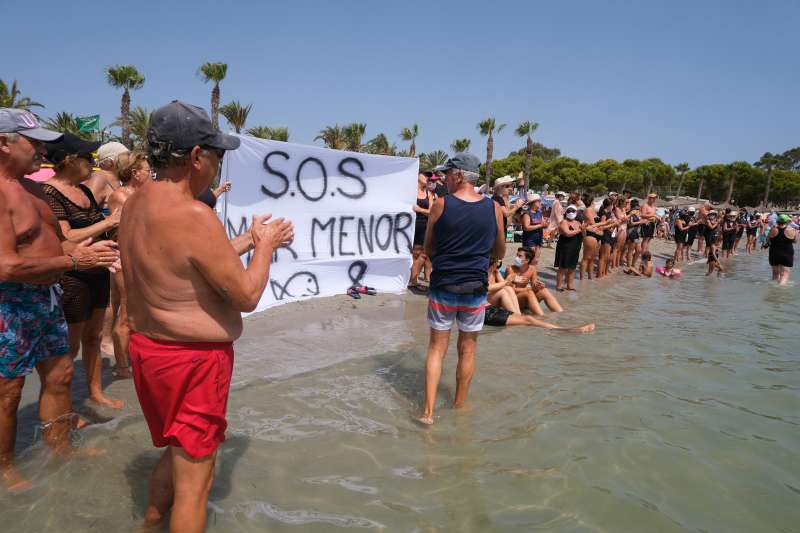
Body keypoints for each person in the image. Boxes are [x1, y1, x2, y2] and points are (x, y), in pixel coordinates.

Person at [119, 101, 294, 532]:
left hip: (149, 352)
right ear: (196, 156)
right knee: (198, 484)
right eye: (217, 154)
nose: (218, 164)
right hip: (192, 363)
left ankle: (150, 523)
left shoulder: (135, 204)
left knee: (177, 451)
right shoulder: (195, 213)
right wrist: (267, 244)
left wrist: (248, 241)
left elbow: (186, 264)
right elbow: (248, 295)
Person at [0, 108, 119, 490]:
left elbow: (57, 243)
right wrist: (72, 259)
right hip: (9, 304)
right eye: (32, 142)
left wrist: (94, 250)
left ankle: (59, 447)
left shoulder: (33, 189)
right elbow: (5, 266)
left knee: (61, 375)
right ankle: (5, 466)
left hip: (47, 297)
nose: (41, 150)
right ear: (4, 143)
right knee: (9, 391)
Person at [419, 152, 504, 427]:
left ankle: (428, 413)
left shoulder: (441, 205)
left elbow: (428, 247)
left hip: (444, 285)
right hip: (476, 288)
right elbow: (500, 249)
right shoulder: (494, 209)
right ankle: (459, 406)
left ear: (458, 175)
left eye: (446, 174)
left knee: (436, 349)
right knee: (468, 349)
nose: (443, 179)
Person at [41, 134, 124, 409]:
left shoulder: (86, 190)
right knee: (70, 347)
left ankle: (95, 392)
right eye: (87, 157)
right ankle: (67, 406)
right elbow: (67, 236)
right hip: (72, 276)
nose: (93, 162)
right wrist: (109, 222)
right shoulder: (49, 192)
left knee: (94, 337)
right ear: (68, 160)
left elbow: (100, 225)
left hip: (98, 272)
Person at [105, 151, 151, 378]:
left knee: (135, 308)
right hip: (124, 258)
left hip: (138, 257)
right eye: (147, 170)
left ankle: (130, 357)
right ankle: (122, 365)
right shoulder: (121, 196)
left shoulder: (140, 194)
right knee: (126, 309)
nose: (150, 173)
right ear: (134, 173)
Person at [507, 246, 563, 314]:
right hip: (514, 300)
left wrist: (539, 285)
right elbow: (511, 290)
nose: (516, 258)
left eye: (519, 256)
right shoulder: (511, 269)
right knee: (528, 292)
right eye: (517, 255)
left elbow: (534, 284)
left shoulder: (532, 269)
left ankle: (560, 314)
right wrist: (529, 289)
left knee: (544, 290)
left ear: (527, 260)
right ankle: (542, 319)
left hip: (527, 298)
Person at [84, 141, 129, 209]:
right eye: (126, 156)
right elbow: (84, 211)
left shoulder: (119, 180)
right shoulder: (99, 178)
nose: (129, 160)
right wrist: (107, 219)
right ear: (111, 161)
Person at [410, 172, 434, 288]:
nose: (427, 178)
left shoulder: (428, 193)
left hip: (423, 225)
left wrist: (419, 209)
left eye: (428, 176)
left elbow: (431, 211)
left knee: (419, 253)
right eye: (424, 175)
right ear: (418, 176)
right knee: (411, 253)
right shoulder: (410, 191)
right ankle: (411, 279)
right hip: (409, 225)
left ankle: (413, 280)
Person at [554, 205, 583, 291]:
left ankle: (569, 285)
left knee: (572, 267)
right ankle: (559, 286)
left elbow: (583, 235)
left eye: (573, 211)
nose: (571, 212)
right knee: (562, 267)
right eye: (569, 211)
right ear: (566, 212)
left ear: (576, 212)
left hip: (575, 247)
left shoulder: (578, 223)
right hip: (565, 247)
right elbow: (567, 233)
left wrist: (584, 230)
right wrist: (580, 230)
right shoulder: (564, 222)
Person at [766, 214, 796, 285]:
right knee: (784, 275)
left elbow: (767, 240)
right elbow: (795, 241)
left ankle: (773, 292)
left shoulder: (773, 229)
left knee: (775, 274)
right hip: (787, 254)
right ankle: (780, 292)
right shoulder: (792, 230)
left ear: (777, 221)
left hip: (774, 253)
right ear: (787, 222)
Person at [580, 193, 604, 280]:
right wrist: (606, 222)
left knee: (592, 259)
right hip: (590, 235)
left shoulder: (593, 210)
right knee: (586, 258)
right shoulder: (587, 210)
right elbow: (593, 224)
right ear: (591, 201)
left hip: (596, 235)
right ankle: (582, 279)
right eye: (594, 200)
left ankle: (590, 278)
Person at [520, 193, 546, 262]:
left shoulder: (539, 213)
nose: (540, 203)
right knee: (528, 260)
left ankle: (533, 273)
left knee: (536, 260)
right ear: (533, 202)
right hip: (529, 240)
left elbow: (544, 224)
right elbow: (526, 227)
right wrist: (540, 225)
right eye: (539, 201)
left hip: (538, 239)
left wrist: (546, 223)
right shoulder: (527, 213)